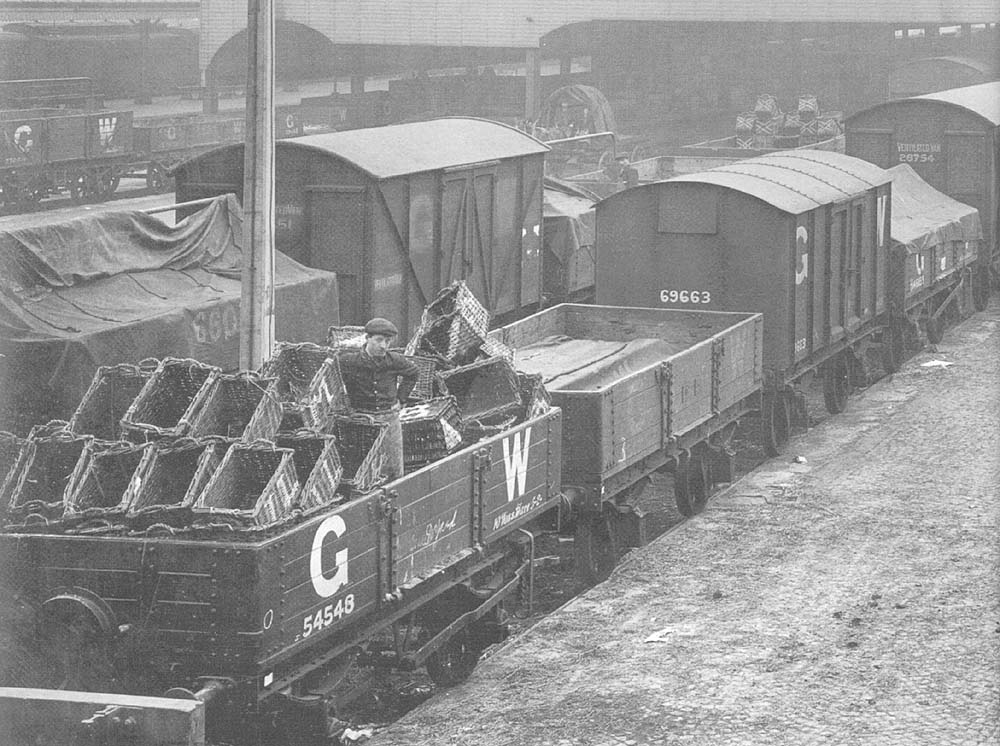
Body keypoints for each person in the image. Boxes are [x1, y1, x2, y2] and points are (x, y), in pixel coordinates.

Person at [337, 318, 419, 481]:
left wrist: (400, 399)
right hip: (361, 420)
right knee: (363, 468)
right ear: (367, 339)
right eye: (379, 340)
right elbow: (334, 377)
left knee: (393, 469)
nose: (383, 346)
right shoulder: (349, 361)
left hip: (389, 419)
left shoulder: (394, 360)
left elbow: (413, 373)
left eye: (387, 341)